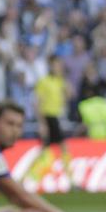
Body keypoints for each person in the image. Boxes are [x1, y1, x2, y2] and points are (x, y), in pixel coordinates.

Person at [27, 56, 74, 187]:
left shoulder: (60, 81)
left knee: (48, 149)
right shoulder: (43, 82)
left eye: (59, 65)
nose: (58, 68)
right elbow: (37, 103)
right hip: (48, 117)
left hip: (56, 117)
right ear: (50, 66)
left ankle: (29, 178)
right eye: (56, 65)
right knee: (58, 148)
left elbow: (70, 95)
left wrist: (65, 80)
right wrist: (42, 123)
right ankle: (71, 180)